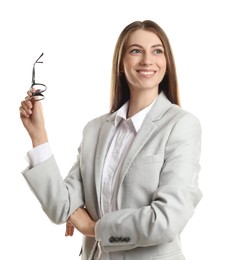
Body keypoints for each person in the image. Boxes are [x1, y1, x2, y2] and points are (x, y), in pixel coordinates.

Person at [19, 20, 202, 260]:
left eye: (157, 51)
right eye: (136, 50)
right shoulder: (95, 130)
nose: (147, 60)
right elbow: (61, 207)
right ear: (121, 63)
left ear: (166, 64)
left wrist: (94, 228)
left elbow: (167, 220)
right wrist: (38, 135)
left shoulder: (180, 125)